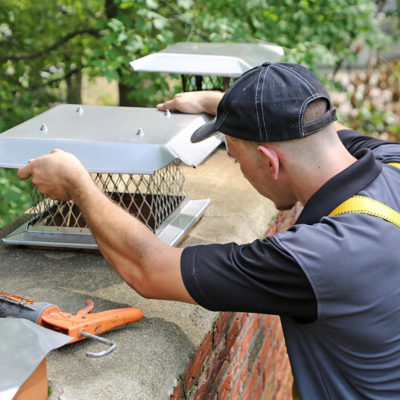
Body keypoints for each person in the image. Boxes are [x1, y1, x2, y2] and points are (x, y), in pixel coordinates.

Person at [17, 62, 400, 399]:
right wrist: (219, 103)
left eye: (235, 158)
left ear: (268, 161)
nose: (239, 168)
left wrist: (79, 187)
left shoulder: (319, 258)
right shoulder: (389, 162)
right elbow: (320, 131)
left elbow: (150, 270)